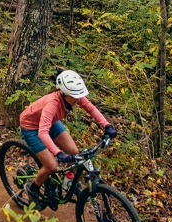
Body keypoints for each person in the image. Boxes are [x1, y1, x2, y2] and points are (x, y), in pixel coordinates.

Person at [19, 70, 117, 209]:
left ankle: (69, 182)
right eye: (75, 97)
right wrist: (58, 152)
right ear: (64, 93)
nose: (78, 99)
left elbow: (91, 108)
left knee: (74, 152)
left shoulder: (74, 96)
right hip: (32, 128)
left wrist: (107, 125)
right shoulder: (52, 103)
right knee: (51, 165)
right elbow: (42, 132)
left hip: (50, 122)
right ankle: (32, 188)